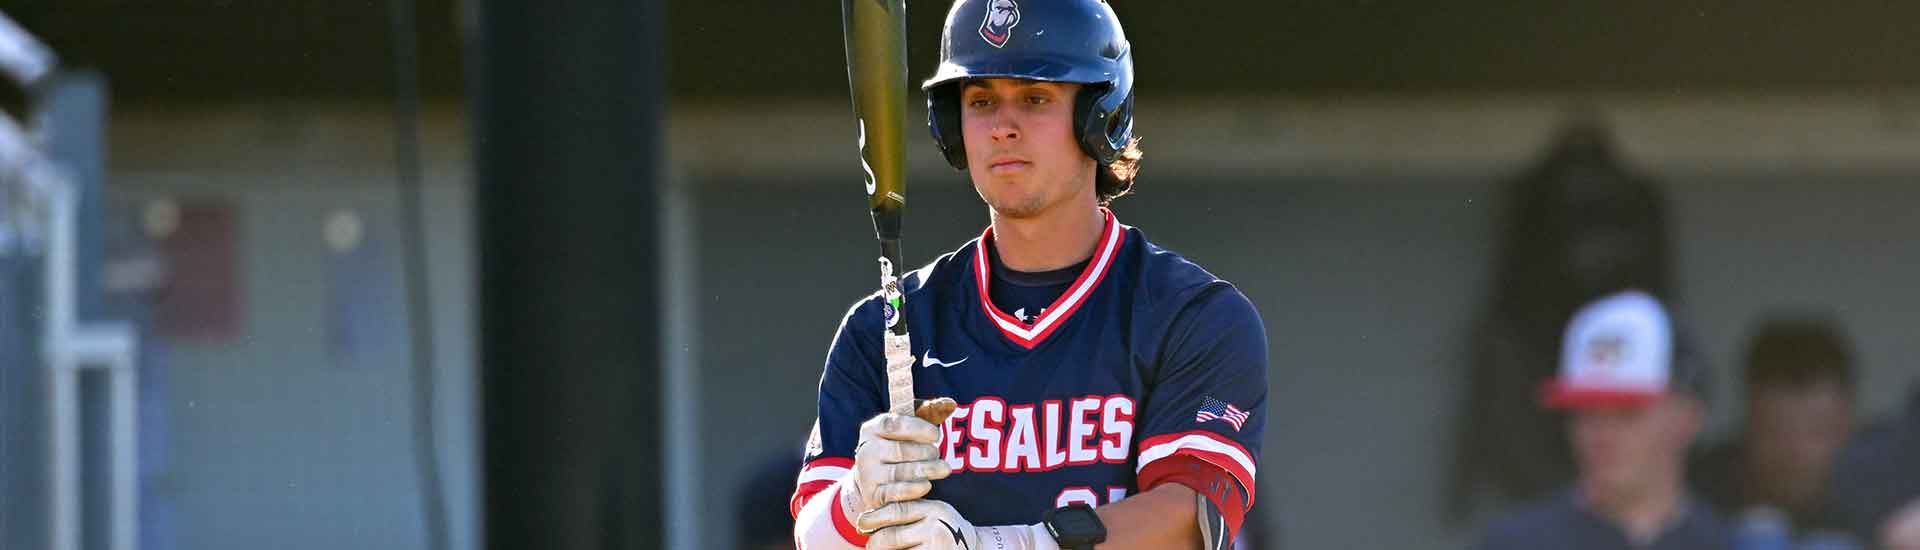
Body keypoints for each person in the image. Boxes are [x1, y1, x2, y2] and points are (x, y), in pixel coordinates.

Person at [789, 1, 1267, 549]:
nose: (1002, 128)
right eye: (981, 100)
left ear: (1099, 116)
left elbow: (1189, 523)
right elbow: (813, 534)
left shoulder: (1194, 315)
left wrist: (997, 546)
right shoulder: (884, 325)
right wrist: (856, 501)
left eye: (1035, 98)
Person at [1477, 291, 1729, 550]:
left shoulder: (1726, 543)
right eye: (1586, 411)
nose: (1601, 433)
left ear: (1686, 420)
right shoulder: (1514, 543)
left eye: (1626, 412)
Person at [1692, 317, 1858, 542]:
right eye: (1775, 430)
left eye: (1817, 432)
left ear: (1848, 425)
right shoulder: (1698, 495)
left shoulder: (1883, 498)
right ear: (1747, 423)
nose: (1795, 451)